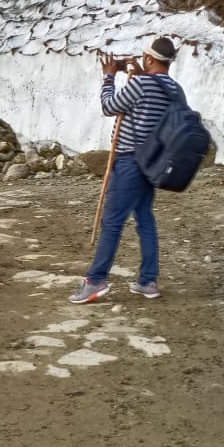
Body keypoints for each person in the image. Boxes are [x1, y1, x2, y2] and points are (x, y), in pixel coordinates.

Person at [69, 37, 180, 303]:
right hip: (153, 163)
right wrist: (137, 72)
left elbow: (109, 106)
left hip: (129, 161)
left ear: (151, 59)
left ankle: (95, 281)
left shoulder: (141, 84)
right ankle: (147, 281)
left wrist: (109, 77)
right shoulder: (175, 89)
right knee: (144, 219)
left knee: (112, 222)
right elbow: (150, 99)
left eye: (144, 58)